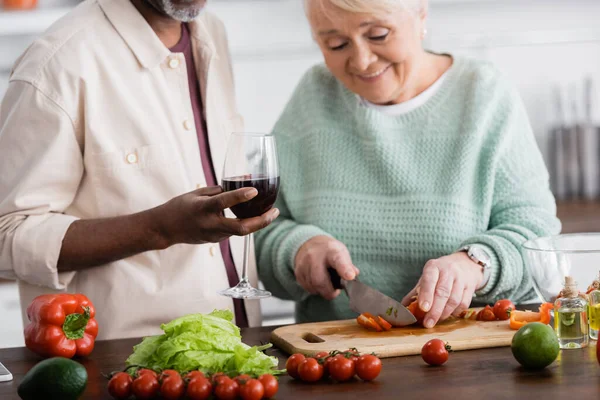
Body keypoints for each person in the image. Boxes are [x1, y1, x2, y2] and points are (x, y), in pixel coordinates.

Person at [256, 0, 561, 328]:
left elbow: (537, 234)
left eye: (378, 35)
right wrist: (297, 248)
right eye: (337, 44)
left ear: (421, 15)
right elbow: (262, 226)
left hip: (465, 356)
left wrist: (473, 265)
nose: (361, 60)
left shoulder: (484, 96)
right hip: (336, 355)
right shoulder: (313, 97)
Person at [0, 0, 279, 340]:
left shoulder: (212, 33)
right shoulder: (59, 62)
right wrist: (157, 229)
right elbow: (8, 233)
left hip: (239, 347)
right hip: (128, 366)